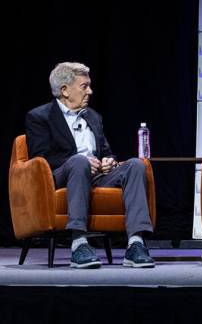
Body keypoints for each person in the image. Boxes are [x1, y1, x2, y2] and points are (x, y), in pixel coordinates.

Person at [25, 62, 156, 269]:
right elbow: (40, 158)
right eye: (84, 86)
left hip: (96, 175)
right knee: (78, 162)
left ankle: (135, 244)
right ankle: (78, 243)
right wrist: (82, 161)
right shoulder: (40, 117)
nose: (90, 91)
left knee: (135, 165)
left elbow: (105, 152)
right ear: (65, 90)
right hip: (59, 176)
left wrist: (108, 161)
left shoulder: (93, 117)